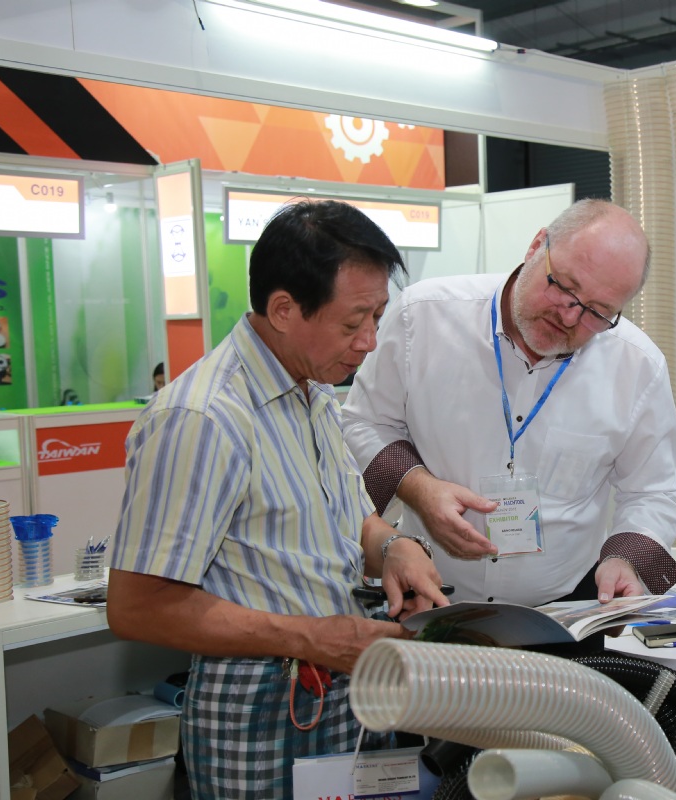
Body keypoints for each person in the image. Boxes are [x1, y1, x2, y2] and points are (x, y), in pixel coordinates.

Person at [106, 199, 449, 800]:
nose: (369, 342)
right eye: (353, 322)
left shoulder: (314, 393)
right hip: (260, 707)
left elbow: (347, 521)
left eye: (377, 317)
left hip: (347, 690)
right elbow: (138, 607)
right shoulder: (203, 418)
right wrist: (311, 637)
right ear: (284, 309)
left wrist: (394, 546)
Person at [342, 199, 676, 609]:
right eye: (565, 287)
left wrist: (626, 559)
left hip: (566, 609)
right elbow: (364, 423)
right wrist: (420, 488)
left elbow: (654, 491)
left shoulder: (637, 366)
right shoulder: (423, 317)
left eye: (597, 312)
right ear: (537, 246)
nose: (570, 317)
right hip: (430, 596)